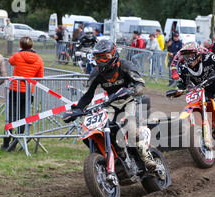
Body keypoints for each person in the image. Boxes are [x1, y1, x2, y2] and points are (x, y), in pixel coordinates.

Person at [62, 40, 158, 169]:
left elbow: (140, 84)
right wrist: (76, 110)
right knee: (102, 128)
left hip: (129, 101)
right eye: (97, 58)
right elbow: (87, 95)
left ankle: (147, 158)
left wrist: (132, 90)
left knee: (130, 126)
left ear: (113, 54)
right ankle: (118, 154)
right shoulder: (96, 73)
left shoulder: (125, 65)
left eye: (104, 58)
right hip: (111, 105)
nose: (101, 62)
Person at [2, 37, 44, 151]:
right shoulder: (39, 59)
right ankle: (16, 143)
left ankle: (6, 143)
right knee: (22, 118)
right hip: (28, 92)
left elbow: (10, 62)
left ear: (20, 45)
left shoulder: (17, 56)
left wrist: (20, 53)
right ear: (32, 46)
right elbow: (39, 77)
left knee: (10, 117)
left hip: (15, 90)